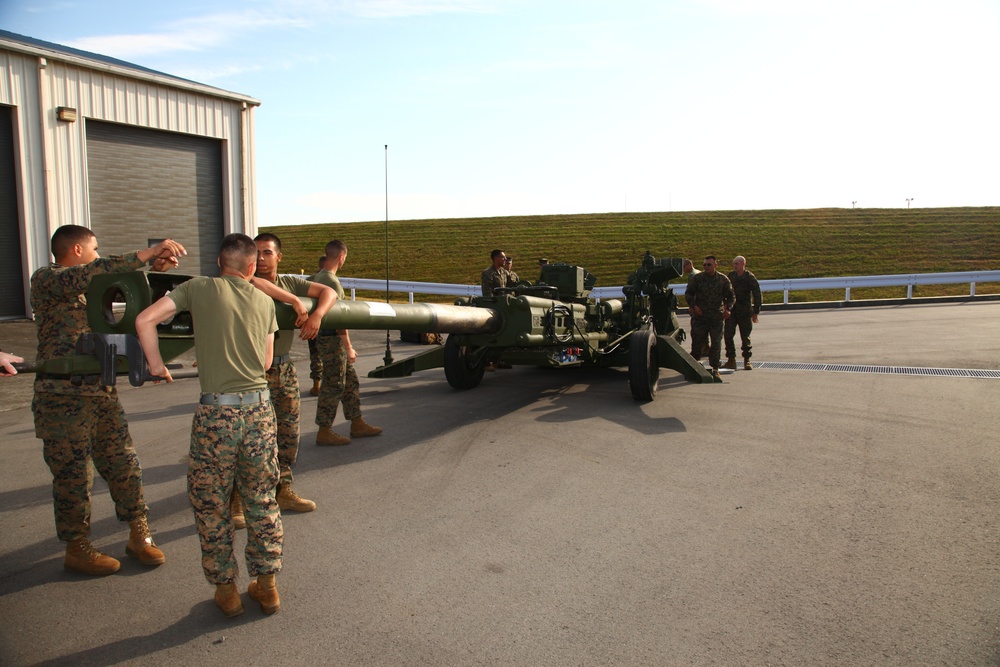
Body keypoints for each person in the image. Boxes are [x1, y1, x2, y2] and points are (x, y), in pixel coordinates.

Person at [135, 233, 283, 618]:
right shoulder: (266, 301)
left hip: (216, 417)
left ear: (220, 265)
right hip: (260, 413)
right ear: (252, 268)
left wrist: (155, 365)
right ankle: (267, 587)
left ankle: (227, 592)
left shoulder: (197, 288)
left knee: (211, 503)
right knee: (261, 500)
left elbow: (144, 319)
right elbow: (265, 363)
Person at [30, 225, 183, 576]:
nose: (99, 254)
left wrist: (150, 274)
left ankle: (137, 532)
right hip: (61, 397)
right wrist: (141, 256)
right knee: (73, 476)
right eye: (95, 248)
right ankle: (77, 547)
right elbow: (93, 274)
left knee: (124, 464)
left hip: (100, 393)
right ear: (79, 250)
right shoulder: (47, 280)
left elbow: (129, 305)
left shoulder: (91, 291)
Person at [246, 233, 337, 516]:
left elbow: (329, 292)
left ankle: (282, 490)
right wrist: (295, 303)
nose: (261, 259)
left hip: (283, 368)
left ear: (279, 257)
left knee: (287, 433)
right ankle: (238, 499)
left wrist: (317, 315)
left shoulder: (289, 282)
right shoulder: (243, 280)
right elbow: (256, 283)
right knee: (249, 437)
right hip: (250, 370)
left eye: (267, 253)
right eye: (256, 253)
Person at [312, 240, 382, 446]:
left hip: (325, 338)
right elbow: (340, 319)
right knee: (333, 385)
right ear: (342, 257)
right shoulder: (332, 282)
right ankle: (324, 430)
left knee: (350, 382)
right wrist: (349, 347)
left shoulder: (319, 277)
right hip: (332, 339)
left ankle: (357, 422)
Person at [684, 255, 735, 381]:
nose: (706, 267)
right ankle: (694, 368)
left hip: (716, 318)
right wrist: (693, 305)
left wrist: (728, 308)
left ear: (715, 265)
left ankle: (715, 369)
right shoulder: (698, 278)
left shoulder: (723, 279)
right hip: (700, 318)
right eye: (705, 265)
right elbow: (688, 293)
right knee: (697, 344)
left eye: (709, 265)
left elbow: (731, 296)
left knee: (716, 343)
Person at [724, 255, 762, 371]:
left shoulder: (749, 277)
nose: (735, 266)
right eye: (734, 264)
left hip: (745, 311)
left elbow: (757, 294)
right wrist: (725, 308)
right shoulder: (731, 276)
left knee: (745, 336)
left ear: (743, 264)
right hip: (732, 311)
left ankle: (747, 360)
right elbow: (726, 292)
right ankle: (731, 360)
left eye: (737, 264)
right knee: (728, 335)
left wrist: (756, 312)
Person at [307, 254, 327, 396]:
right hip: (326, 324)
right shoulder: (329, 281)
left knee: (314, 355)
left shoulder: (310, 280)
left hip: (311, 323)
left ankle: (316, 384)